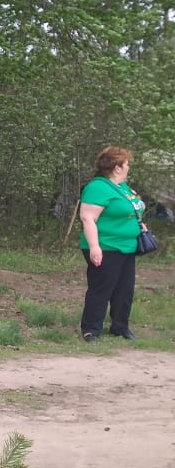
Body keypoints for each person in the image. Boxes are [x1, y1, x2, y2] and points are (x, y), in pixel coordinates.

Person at [78, 145, 147, 341]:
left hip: (127, 247)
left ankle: (120, 327)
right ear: (117, 167)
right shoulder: (98, 188)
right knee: (101, 288)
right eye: (126, 164)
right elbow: (87, 218)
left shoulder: (122, 187)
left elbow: (130, 209)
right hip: (106, 246)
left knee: (125, 290)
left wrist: (138, 224)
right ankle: (91, 329)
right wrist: (94, 247)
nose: (128, 168)